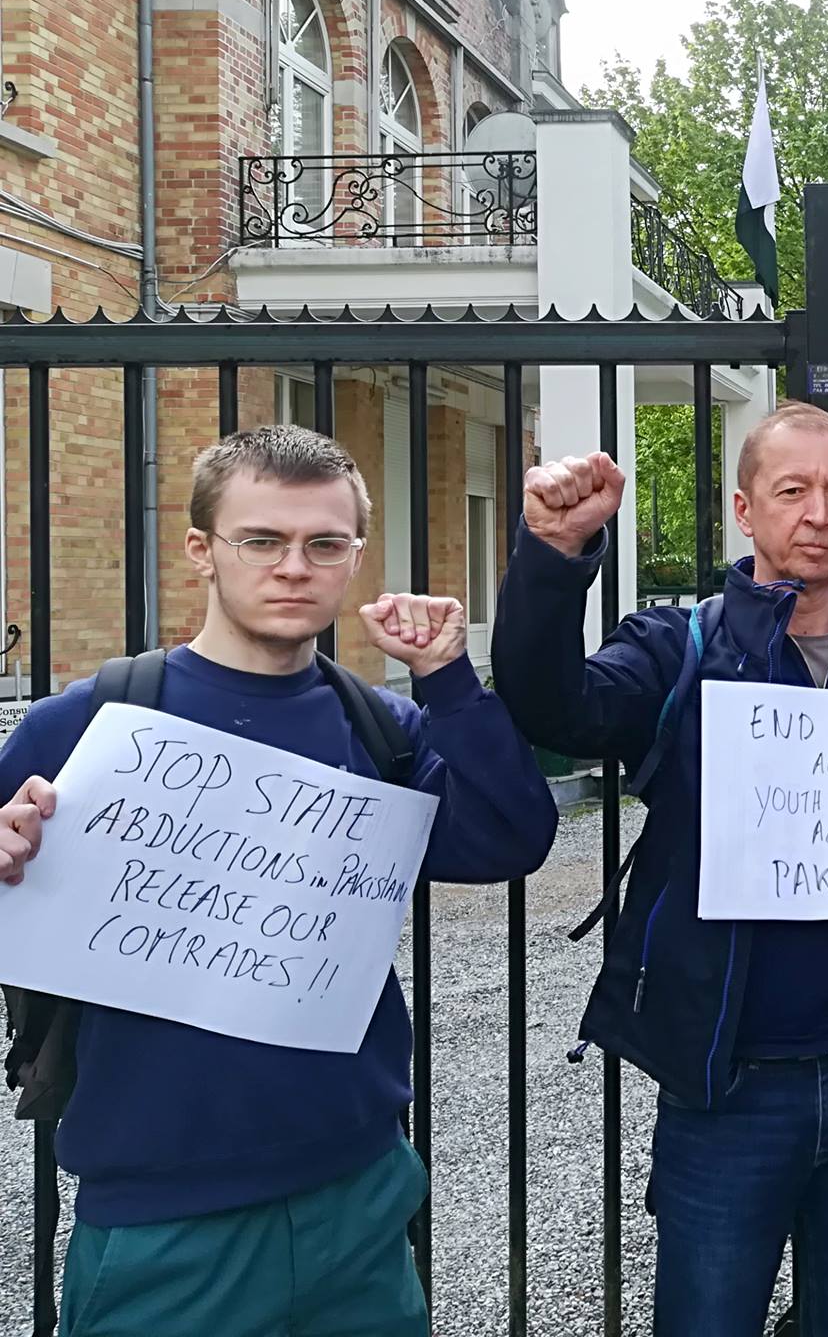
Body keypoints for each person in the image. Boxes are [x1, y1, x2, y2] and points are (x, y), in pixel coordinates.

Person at [0, 424, 558, 1337]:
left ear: (352, 559)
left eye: (323, 544)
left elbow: (509, 839)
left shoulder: (382, 728)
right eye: (262, 540)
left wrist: (448, 682)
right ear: (201, 551)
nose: (294, 567)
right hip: (160, 1217)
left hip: (358, 1190)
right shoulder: (96, 719)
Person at [490, 400, 828, 1337]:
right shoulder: (683, 647)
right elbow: (553, 709)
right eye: (792, 491)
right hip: (729, 1087)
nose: (817, 513)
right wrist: (550, 560)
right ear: (746, 510)